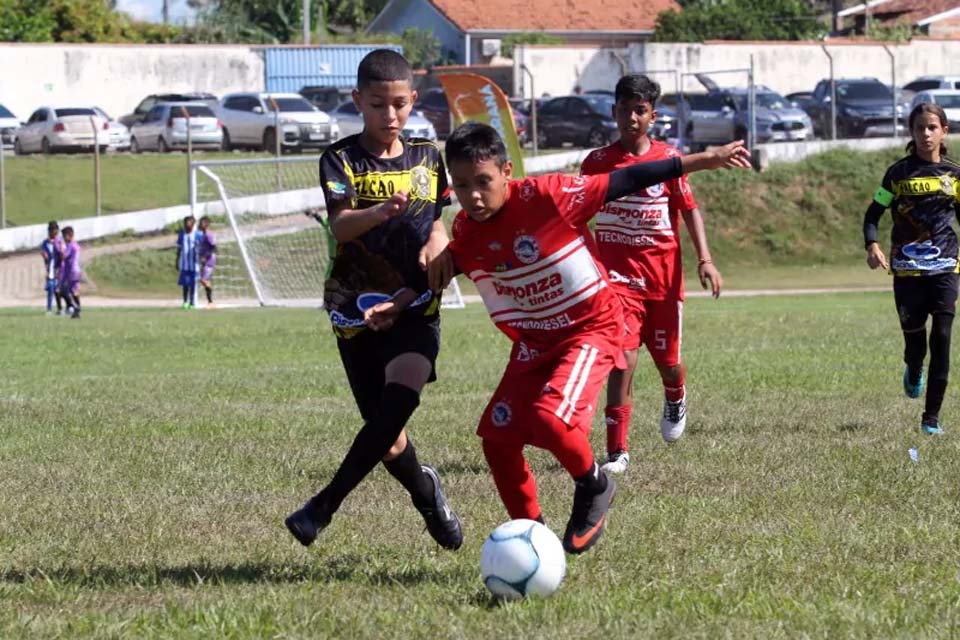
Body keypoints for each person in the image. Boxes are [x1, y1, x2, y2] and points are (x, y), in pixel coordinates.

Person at [433, 122, 749, 554]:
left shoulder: (548, 195)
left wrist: (701, 161)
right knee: (497, 442)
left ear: (507, 171)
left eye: (483, 181)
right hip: (536, 342)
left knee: (551, 418)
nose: (472, 195)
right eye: (462, 184)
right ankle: (533, 537)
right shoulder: (467, 231)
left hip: (591, 328)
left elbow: (629, 179)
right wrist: (396, 301)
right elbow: (446, 263)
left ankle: (594, 485)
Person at [285, 49, 463, 551]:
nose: (390, 116)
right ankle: (428, 493)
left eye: (401, 105)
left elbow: (437, 223)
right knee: (386, 438)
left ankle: (322, 507)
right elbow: (341, 225)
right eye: (379, 105)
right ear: (358, 101)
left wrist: (436, 245)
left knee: (396, 406)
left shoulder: (429, 157)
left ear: (414, 101)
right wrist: (381, 211)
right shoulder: (340, 159)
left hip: (415, 309)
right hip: (354, 310)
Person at [580, 74, 723, 474]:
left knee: (669, 362)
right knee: (621, 360)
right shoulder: (596, 163)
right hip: (615, 283)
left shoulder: (668, 160)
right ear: (614, 112)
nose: (631, 117)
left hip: (662, 283)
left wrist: (705, 259)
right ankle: (616, 452)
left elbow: (690, 209)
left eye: (639, 110)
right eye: (624, 109)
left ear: (652, 116)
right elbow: (578, 214)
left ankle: (675, 394)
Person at [863, 103, 960, 435]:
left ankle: (931, 418)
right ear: (913, 132)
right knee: (916, 342)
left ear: (944, 131)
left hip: (946, 267)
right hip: (906, 270)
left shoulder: (955, 175)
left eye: (932, 127)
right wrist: (872, 245)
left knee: (943, 337)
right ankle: (914, 366)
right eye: (920, 128)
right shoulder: (897, 174)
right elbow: (873, 213)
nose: (926, 133)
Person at [176, 215, 201, 309]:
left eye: (189, 222)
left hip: (194, 264)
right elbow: (179, 248)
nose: (187, 224)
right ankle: (185, 302)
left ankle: (192, 302)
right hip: (185, 264)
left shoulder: (197, 234)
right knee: (185, 284)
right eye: (186, 222)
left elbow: (202, 247)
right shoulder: (182, 234)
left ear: (193, 224)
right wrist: (177, 260)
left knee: (193, 284)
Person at [40, 220, 64, 315]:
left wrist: (56, 245)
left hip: (60, 268)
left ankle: (62, 309)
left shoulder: (60, 241)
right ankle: (49, 309)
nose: (54, 233)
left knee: (59, 290)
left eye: (56, 231)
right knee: (51, 289)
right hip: (50, 269)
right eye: (52, 231)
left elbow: (62, 254)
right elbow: (43, 252)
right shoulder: (45, 243)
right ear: (49, 231)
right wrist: (44, 256)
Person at [59, 226, 82, 319]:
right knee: (74, 291)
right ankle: (77, 312)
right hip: (77, 270)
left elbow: (64, 256)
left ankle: (76, 308)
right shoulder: (76, 245)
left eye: (64, 236)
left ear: (69, 235)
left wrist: (61, 248)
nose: (64, 239)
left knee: (64, 291)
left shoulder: (70, 245)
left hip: (71, 271)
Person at [198, 216, 217, 308]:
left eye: (201, 223)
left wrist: (205, 257)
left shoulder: (209, 235)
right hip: (205, 261)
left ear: (206, 224)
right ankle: (210, 302)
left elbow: (213, 247)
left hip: (209, 261)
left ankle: (211, 302)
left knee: (203, 280)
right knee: (205, 280)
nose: (199, 225)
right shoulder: (203, 234)